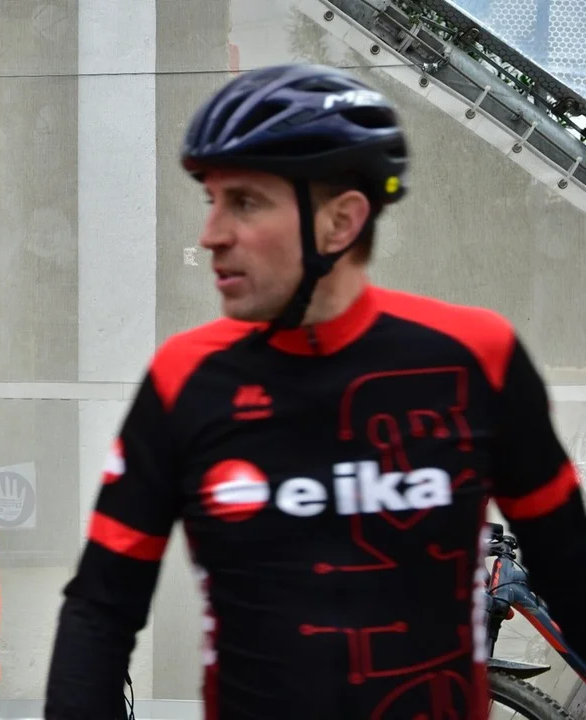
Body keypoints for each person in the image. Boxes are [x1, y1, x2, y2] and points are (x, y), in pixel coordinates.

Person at [43, 62, 586, 719]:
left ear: (341, 221)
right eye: (211, 201)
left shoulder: (477, 358)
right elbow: (101, 607)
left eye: (244, 202)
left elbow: (569, 569)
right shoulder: (185, 378)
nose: (211, 234)